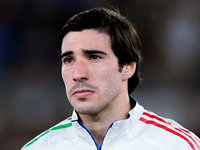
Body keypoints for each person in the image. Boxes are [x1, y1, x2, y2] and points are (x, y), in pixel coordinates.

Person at [21, 7, 200, 150]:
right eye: (68, 60)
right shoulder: (39, 147)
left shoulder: (177, 145)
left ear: (128, 66)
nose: (77, 74)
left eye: (94, 57)